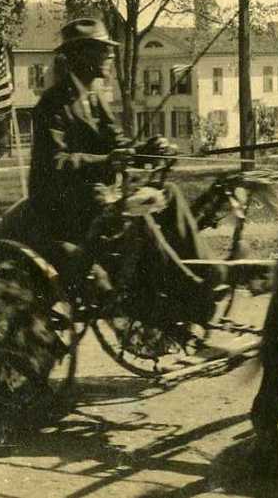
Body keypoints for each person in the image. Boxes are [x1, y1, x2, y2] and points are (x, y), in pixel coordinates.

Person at [25, 18, 220, 324]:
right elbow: (56, 163)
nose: (110, 57)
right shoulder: (52, 104)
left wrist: (150, 148)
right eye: (103, 51)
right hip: (63, 206)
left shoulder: (95, 96)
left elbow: (120, 145)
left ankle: (208, 270)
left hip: (98, 195)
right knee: (138, 213)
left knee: (169, 193)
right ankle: (189, 291)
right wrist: (106, 161)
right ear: (80, 56)